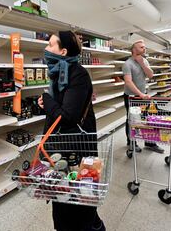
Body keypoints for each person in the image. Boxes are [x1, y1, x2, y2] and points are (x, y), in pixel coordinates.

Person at [38, 31, 105, 231]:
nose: (46, 49)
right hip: (62, 146)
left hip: (77, 147)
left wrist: (47, 100)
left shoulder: (78, 74)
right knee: (65, 199)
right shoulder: (58, 72)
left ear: (63, 51)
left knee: (78, 200)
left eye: (50, 45)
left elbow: (68, 117)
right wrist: (48, 103)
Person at [122, 39, 164, 154]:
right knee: (132, 120)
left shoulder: (144, 60)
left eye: (144, 47)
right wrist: (140, 94)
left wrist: (141, 63)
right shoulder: (127, 64)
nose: (144, 49)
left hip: (143, 95)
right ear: (134, 50)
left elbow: (150, 75)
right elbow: (128, 82)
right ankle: (132, 142)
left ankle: (150, 142)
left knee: (147, 118)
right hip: (132, 97)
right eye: (141, 47)